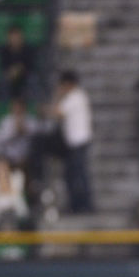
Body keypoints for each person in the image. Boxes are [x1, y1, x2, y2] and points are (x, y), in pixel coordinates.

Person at [53, 70, 93, 213]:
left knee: (78, 176)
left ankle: (84, 205)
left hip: (78, 143)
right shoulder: (78, 96)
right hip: (74, 143)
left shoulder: (75, 97)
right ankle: (78, 204)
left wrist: (58, 95)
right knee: (74, 175)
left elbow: (58, 112)